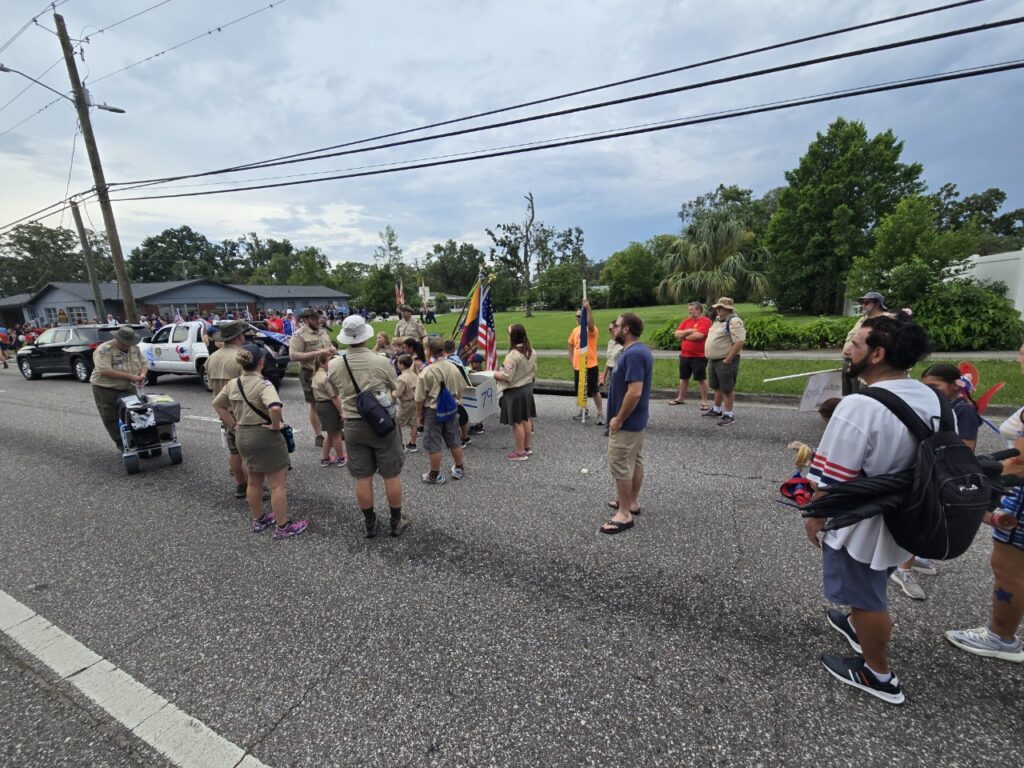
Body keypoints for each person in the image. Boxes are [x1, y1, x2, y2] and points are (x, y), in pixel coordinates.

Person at [805, 312, 934, 705]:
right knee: (876, 580)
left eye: (856, 343)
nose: (847, 349)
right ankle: (857, 625)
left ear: (877, 353)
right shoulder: (926, 393)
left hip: (865, 522)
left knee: (866, 596)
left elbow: (832, 478)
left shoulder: (860, 405)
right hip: (909, 512)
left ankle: (877, 673)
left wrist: (815, 515)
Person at [945, 340, 1024, 663]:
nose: (1019, 356)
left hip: (1018, 491)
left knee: (1009, 568)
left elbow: (1019, 461)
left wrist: (975, 478)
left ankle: (1001, 636)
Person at [889, 363, 981, 600]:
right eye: (925, 386)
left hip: (944, 474)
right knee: (922, 516)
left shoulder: (965, 410)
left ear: (955, 386)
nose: (929, 391)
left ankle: (903, 569)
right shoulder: (941, 404)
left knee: (922, 517)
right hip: (931, 467)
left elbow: (966, 448)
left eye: (935, 386)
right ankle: (910, 558)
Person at [213, 345, 307, 539]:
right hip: (264, 435)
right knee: (277, 484)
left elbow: (218, 404)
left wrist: (233, 425)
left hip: (243, 434)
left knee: (254, 481)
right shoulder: (264, 384)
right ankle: (283, 525)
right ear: (261, 362)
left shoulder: (233, 384)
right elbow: (274, 407)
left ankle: (258, 519)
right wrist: (275, 425)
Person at [328, 315, 409, 538]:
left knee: (363, 477)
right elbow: (396, 390)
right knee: (390, 474)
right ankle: (395, 521)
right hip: (381, 423)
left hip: (353, 423)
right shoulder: (381, 361)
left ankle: (370, 523)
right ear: (366, 335)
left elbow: (334, 388)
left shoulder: (334, 364)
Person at [600, 313, 654, 534]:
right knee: (634, 462)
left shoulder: (633, 355)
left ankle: (624, 514)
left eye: (617, 326)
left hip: (627, 422)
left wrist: (618, 418)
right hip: (636, 421)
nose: (613, 328)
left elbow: (634, 392)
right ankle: (631, 502)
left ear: (626, 330)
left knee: (621, 464)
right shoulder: (637, 351)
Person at [205, 320, 250, 499]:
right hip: (243, 410)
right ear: (239, 336)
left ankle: (240, 485)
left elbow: (210, 385)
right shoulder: (243, 355)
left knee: (234, 450)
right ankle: (253, 487)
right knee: (248, 452)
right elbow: (252, 384)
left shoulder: (211, 358)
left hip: (223, 410)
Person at [416, 337, 467, 485]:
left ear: (430, 351)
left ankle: (434, 474)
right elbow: (460, 389)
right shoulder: (453, 367)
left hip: (433, 409)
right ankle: (459, 467)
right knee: (454, 438)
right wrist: (456, 400)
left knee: (434, 442)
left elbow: (419, 398)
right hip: (451, 407)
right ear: (443, 350)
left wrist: (419, 416)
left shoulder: (427, 371)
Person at [89, 326, 149, 450]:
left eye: (130, 343)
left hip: (128, 387)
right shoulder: (104, 350)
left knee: (134, 414)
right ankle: (123, 444)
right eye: (125, 343)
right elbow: (104, 370)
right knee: (110, 417)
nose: (128, 345)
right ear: (117, 339)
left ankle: (140, 440)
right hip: (105, 388)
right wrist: (131, 376)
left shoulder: (134, 348)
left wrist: (142, 374)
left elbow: (144, 363)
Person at [289, 308, 333, 448]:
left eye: (318, 318)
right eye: (313, 318)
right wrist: (316, 353)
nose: (317, 321)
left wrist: (332, 349)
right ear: (306, 319)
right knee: (315, 404)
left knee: (332, 400)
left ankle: (334, 430)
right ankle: (319, 435)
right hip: (310, 372)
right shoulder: (299, 335)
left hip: (327, 371)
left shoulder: (322, 331)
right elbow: (294, 355)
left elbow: (330, 346)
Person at [494, 324, 537, 461]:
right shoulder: (531, 351)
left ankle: (520, 452)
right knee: (526, 418)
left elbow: (507, 376)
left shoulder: (512, 356)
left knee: (517, 422)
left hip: (515, 391)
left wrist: (494, 373)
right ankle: (526, 447)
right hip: (527, 388)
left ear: (513, 337)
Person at [703, 297, 746, 427]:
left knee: (727, 388)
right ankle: (717, 410)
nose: (717, 310)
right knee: (716, 386)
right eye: (717, 308)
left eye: (720, 308)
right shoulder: (718, 320)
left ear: (728, 309)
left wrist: (728, 359)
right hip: (715, 360)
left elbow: (739, 342)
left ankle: (729, 414)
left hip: (725, 360)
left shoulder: (734, 321)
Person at [842, 292, 887, 395]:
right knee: (846, 397)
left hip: (863, 364)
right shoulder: (863, 319)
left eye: (866, 303)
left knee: (858, 396)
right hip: (849, 362)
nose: (863, 305)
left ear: (877, 304)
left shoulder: (883, 322)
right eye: (863, 303)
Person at [671, 301, 712, 409]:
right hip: (685, 355)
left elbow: (699, 336)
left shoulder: (706, 321)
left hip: (699, 356)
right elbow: (676, 334)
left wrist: (684, 335)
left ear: (698, 310)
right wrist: (689, 331)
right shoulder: (686, 321)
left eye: (692, 309)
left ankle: (704, 401)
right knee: (683, 377)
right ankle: (681, 398)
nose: (689, 311)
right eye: (689, 310)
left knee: (701, 378)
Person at [568, 298, 602, 424]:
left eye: (580, 316)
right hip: (578, 365)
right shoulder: (575, 330)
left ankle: (600, 413)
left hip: (590, 365)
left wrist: (588, 309)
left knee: (594, 391)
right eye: (576, 316)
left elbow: (591, 325)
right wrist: (571, 357)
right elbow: (570, 343)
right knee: (580, 390)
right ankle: (584, 411)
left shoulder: (591, 330)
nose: (578, 318)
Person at [312, 349, 347, 467]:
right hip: (329, 406)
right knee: (337, 434)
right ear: (322, 363)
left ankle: (325, 458)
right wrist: (342, 412)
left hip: (321, 405)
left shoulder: (317, 374)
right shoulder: (325, 378)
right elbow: (334, 397)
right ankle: (341, 458)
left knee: (330, 434)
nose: (331, 363)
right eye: (329, 361)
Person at [394, 354, 419, 452]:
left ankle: (400, 445)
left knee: (397, 424)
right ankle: (412, 444)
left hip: (405, 403)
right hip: (415, 401)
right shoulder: (414, 375)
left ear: (402, 365)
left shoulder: (402, 378)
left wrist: (391, 391)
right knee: (413, 423)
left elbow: (397, 393)